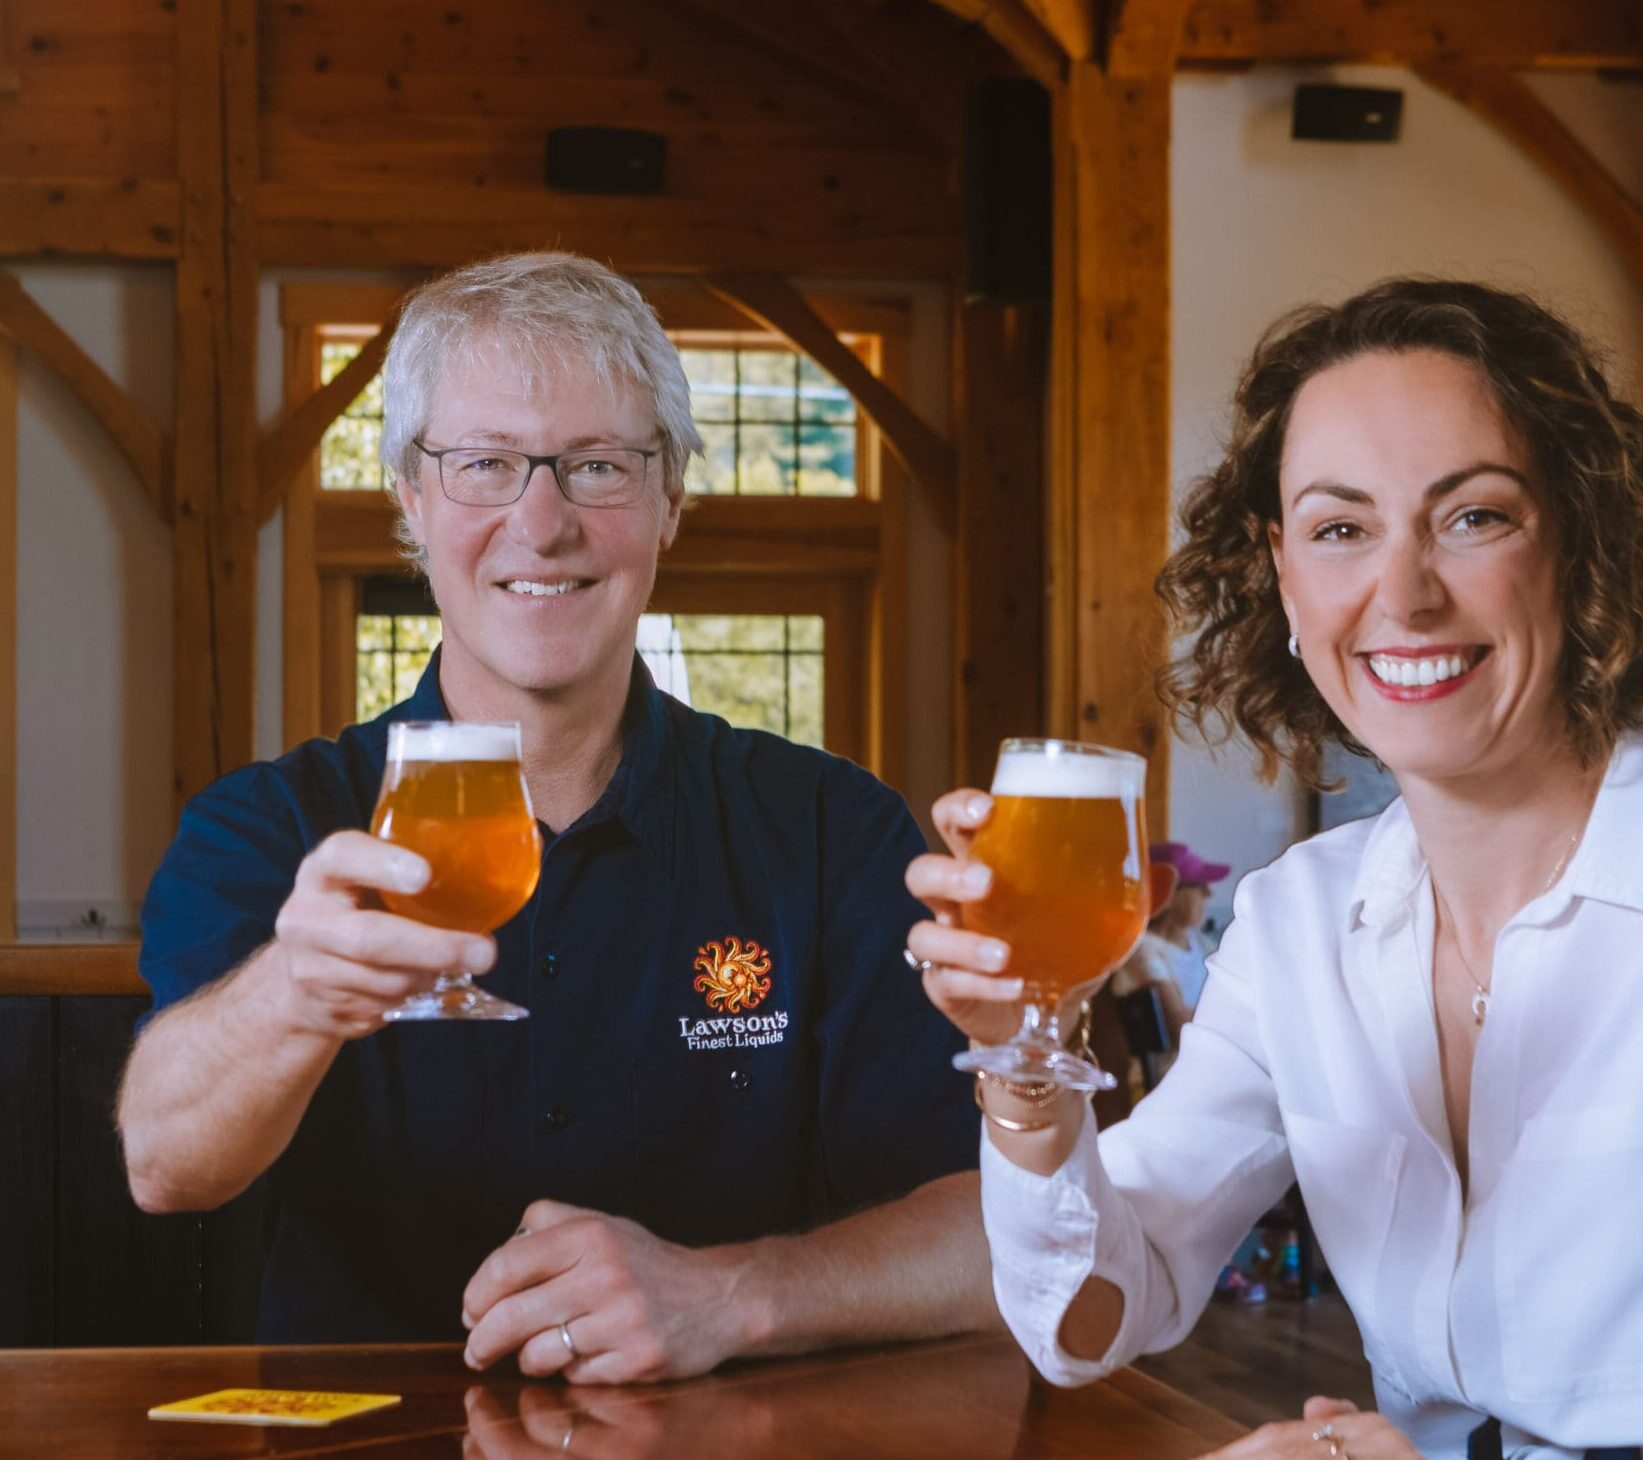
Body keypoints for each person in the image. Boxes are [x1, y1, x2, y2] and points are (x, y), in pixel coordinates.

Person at [905, 279, 1643, 1458]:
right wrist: (1024, 1066)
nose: (1399, 594)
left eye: (1472, 516)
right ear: (1282, 576)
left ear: (1578, 540)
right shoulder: (1297, 921)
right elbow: (1092, 1312)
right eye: (1339, 528)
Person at [118, 252, 995, 1379]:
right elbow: (164, 1162)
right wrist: (294, 991)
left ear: (670, 500)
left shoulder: (830, 830)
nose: (541, 524)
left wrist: (734, 1293)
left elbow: (990, 1240)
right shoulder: (272, 824)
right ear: (410, 498)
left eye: (596, 466)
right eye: (484, 463)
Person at [1111, 840, 1231, 1038]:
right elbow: (1178, 1026)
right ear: (1168, 893)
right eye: (1197, 886)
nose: (1208, 894)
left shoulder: (1198, 941)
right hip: (1178, 1065)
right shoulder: (1143, 948)